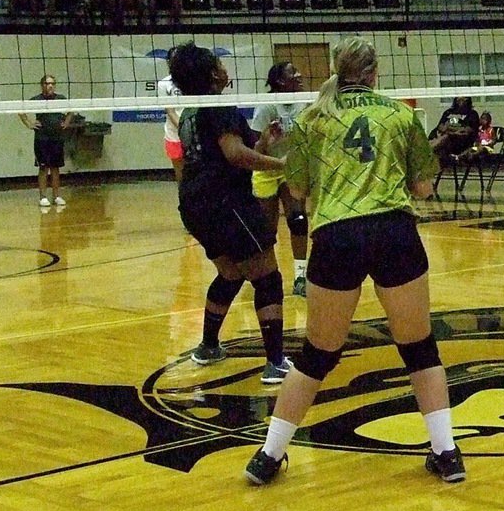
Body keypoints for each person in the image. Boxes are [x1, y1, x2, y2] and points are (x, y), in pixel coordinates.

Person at [244, 36, 462, 486]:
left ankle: (268, 457)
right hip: (393, 231)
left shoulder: (312, 118)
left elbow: (298, 192)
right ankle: (447, 455)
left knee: (317, 355)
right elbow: (423, 189)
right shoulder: (400, 114)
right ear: (375, 72)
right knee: (420, 348)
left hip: (337, 235)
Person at [167, 43, 293, 383]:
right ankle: (275, 363)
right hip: (226, 202)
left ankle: (208, 347)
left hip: (194, 204)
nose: (226, 70)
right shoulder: (218, 102)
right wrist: (281, 163)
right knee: (267, 276)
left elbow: (230, 152)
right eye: (221, 64)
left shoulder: (191, 109)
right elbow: (235, 155)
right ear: (212, 74)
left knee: (231, 273)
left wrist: (264, 142)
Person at [251, 61, 311, 297]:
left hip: (291, 167)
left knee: (297, 217)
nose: (298, 74)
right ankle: (268, 276)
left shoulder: (305, 102)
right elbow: (255, 151)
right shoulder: (266, 107)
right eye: (291, 73)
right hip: (266, 168)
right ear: (279, 81)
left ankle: (300, 277)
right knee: (267, 229)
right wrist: (267, 141)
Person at [18, 75, 74, 207]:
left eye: (53, 84)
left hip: (57, 137)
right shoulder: (36, 100)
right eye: (48, 83)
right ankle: (43, 197)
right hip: (42, 138)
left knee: (55, 168)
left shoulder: (61, 98)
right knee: (43, 168)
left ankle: (56, 196)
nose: (50, 86)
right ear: (42, 85)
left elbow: (71, 110)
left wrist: (66, 122)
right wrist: (29, 123)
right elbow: (21, 111)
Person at [157, 51, 184, 184]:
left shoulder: (193, 81)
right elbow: (170, 111)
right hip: (175, 136)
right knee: (181, 176)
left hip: (195, 135)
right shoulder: (164, 84)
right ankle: (184, 202)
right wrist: (185, 127)